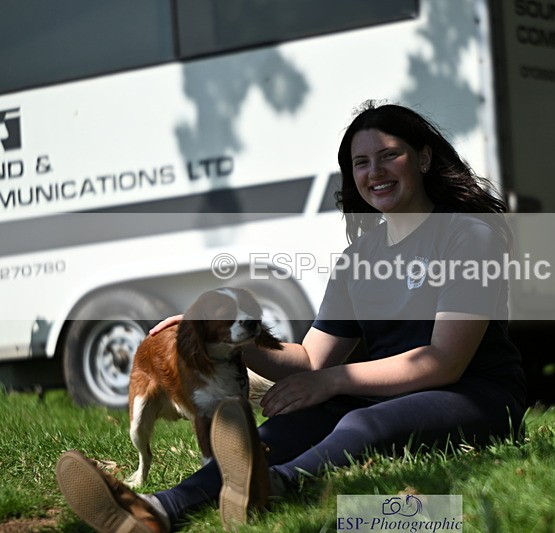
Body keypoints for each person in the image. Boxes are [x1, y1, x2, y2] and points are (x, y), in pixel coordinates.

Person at [55, 101, 528, 531]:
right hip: (376, 397)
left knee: (358, 428)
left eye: (389, 155)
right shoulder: (358, 258)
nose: (374, 172)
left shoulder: (467, 236)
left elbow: (443, 361)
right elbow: (309, 361)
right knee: (277, 431)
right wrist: (213, 331)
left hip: (473, 394)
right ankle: (158, 509)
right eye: (360, 163)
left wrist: (335, 381)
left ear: (423, 159)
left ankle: (272, 487)